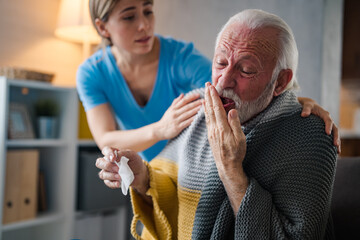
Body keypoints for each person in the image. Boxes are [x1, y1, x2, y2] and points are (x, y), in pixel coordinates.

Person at [97, 9, 338, 239]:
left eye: (245, 70)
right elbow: (172, 183)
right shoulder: (199, 109)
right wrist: (142, 177)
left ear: (281, 81)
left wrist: (231, 170)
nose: (224, 81)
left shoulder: (313, 137)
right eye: (221, 63)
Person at [76, 0, 340, 162]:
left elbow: (238, 90)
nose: (144, 25)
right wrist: (161, 129)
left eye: (148, 11)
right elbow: (106, 140)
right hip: (144, 173)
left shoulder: (179, 57)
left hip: (191, 167)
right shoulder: (91, 73)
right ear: (102, 27)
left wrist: (296, 100)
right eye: (129, 16)